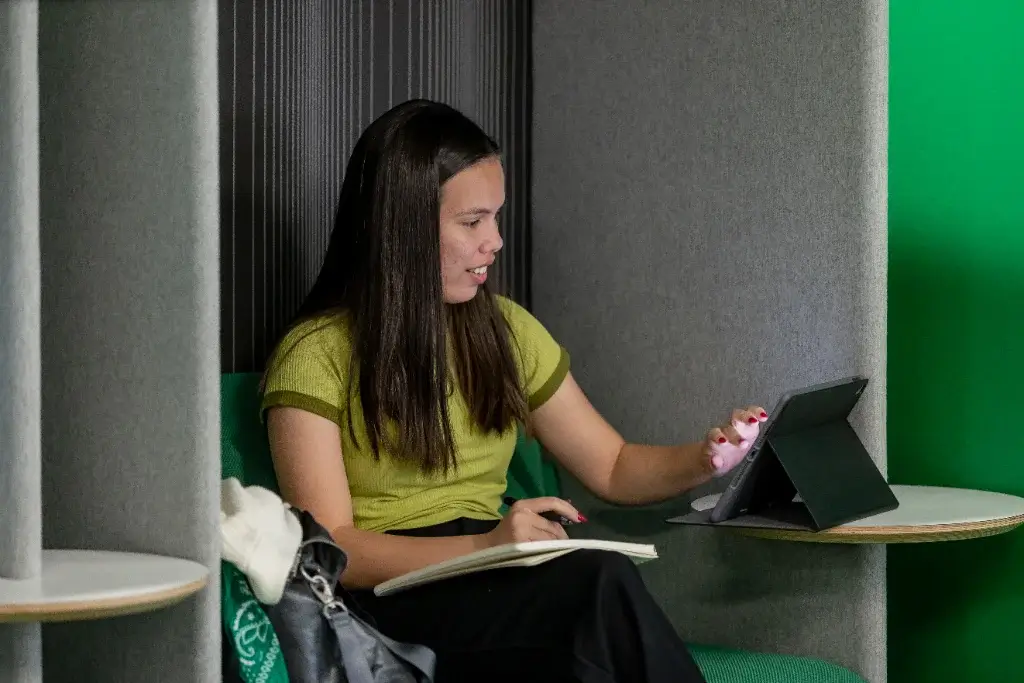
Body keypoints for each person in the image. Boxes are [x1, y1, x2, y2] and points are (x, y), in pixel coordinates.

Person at [261, 99, 767, 683]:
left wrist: (708, 458)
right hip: (392, 595)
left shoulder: (504, 330)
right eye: (472, 222)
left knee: (593, 600)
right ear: (402, 226)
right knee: (596, 585)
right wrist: (486, 547)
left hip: (491, 571)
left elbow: (613, 465)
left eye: (496, 219)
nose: (495, 241)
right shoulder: (316, 354)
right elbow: (335, 553)